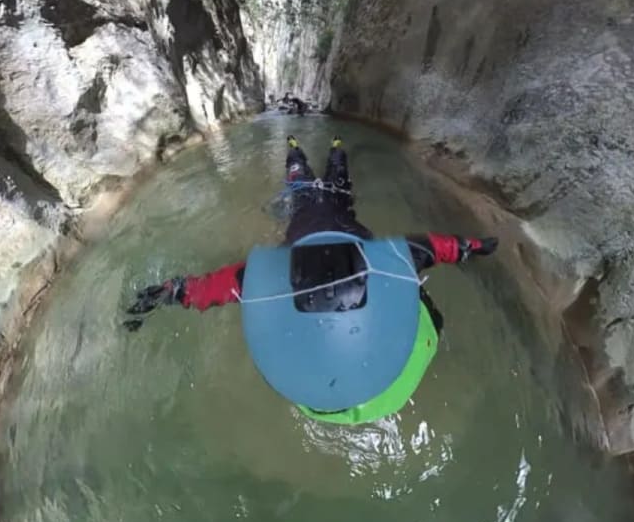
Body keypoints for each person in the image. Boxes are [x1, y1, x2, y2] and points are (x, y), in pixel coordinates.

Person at [124, 135, 498, 425]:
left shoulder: (264, 279)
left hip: (313, 221)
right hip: (329, 222)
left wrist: (169, 292)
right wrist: (470, 247)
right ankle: (325, 154)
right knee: (332, 192)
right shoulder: (386, 262)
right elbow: (435, 248)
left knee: (311, 189)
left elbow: (206, 290)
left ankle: (304, 156)